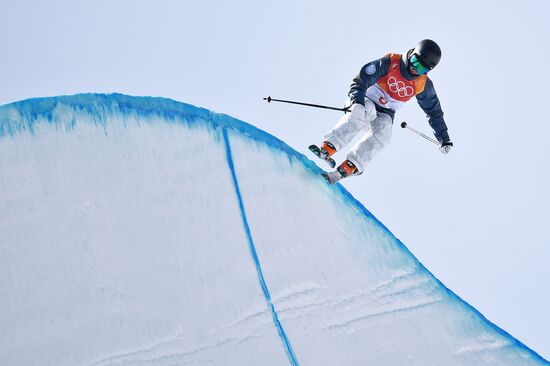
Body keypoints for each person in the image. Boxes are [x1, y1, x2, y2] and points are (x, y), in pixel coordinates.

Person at [310, 39, 453, 184]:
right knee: (367, 110)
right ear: (411, 53)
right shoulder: (391, 62)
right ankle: (329, 146)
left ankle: (349, 167)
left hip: (386, 112)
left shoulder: (423, 84)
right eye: (415, 61)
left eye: (422, 69)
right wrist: (356, 102)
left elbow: (434, 111)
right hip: (365, 100)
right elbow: (361, 79)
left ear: (428, 71)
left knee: (384, 134)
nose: (415, 69)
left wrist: (444, 138)